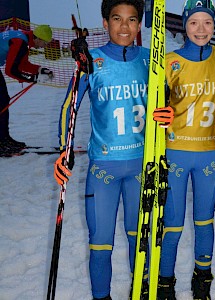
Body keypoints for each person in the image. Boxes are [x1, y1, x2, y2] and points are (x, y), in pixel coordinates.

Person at [53, 1, 173, 299]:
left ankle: (140, 292)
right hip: (103, 167)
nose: (124, 27)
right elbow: (70, 106)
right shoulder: (91, 61)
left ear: (139, 24)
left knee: (139, 242)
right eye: (116, 19)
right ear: (105, 23)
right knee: (100, 243)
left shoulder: (151, 61)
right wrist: (63, 150)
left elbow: (166, 108)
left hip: (141, 167)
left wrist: (168, 115)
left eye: (132, 20)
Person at [157, 1, 215, 299]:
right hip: (176, 151)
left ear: (214, 26)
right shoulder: (169, 61)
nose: (201, 29)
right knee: (172, 225)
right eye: (194, 23)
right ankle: (165, 284)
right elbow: (155, 106)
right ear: (184, 25)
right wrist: (158, 114)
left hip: (209, 154)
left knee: (204, 222)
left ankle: (202, 284)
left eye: (207, 23)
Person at [0, 24, 53, 155]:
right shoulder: (20, 42)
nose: (44, 46)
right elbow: (11, 70)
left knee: (3, 100)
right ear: (38, 38)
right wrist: (34, 78)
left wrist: (40, 70)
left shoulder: (24, 38)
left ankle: (4, 139)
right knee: (1, 101)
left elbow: (22, 64)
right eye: (45, 43)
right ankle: (1, 142)